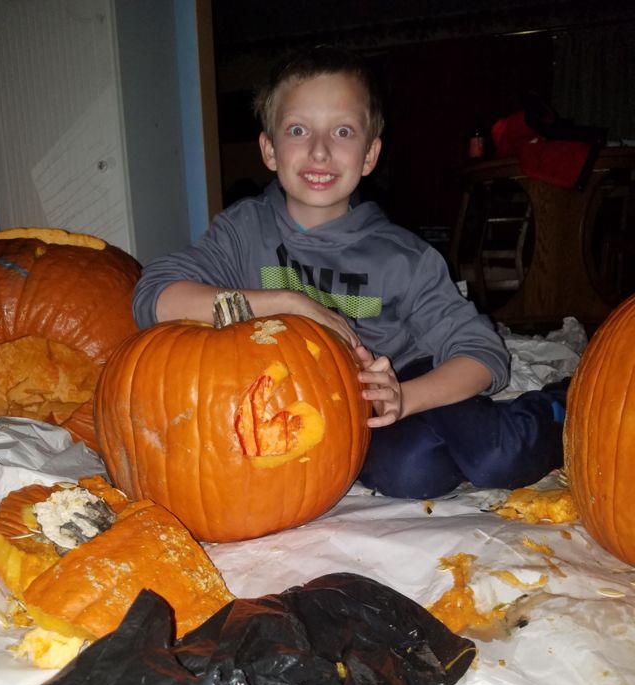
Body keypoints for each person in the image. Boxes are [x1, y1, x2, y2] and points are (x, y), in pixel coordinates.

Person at [132, 45, 566, 500]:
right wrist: (288, 303)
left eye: (342, 131)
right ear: (270, 149)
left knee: (495, 459)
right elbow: (155, 296)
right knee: (410, 472)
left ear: (370, 155)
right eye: (298, 130)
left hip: (413, 376)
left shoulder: (403, 256)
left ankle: (559, 404)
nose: (319, 151)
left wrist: (406, 397)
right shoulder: (243, 232)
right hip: (343, 411)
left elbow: (483, 354)